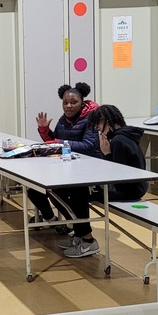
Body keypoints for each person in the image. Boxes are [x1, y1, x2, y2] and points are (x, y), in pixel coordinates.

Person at [56, 105, 149, 258]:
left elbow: (115, 175)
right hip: (130, 185)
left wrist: (106, 154)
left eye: (99, 125)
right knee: (74, 188)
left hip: (129, 189)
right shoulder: (124, 135)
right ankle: (79, 234)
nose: (98, 129)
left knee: (79, 191)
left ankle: (87, 240)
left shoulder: (119, 141)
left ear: (107, 122)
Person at [28, 82, 99, 236]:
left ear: (82, 102)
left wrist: (59, 143)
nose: (68, 106)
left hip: (86, 170)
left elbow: (88, 146)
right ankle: (53, 221)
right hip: (65, 167)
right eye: (65, 103)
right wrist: (44, 130)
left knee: (55, 189)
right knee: (34, 190)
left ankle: (73, 222)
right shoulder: (63, 120)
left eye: (73, 102)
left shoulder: (91, 119)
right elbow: (54, 141)